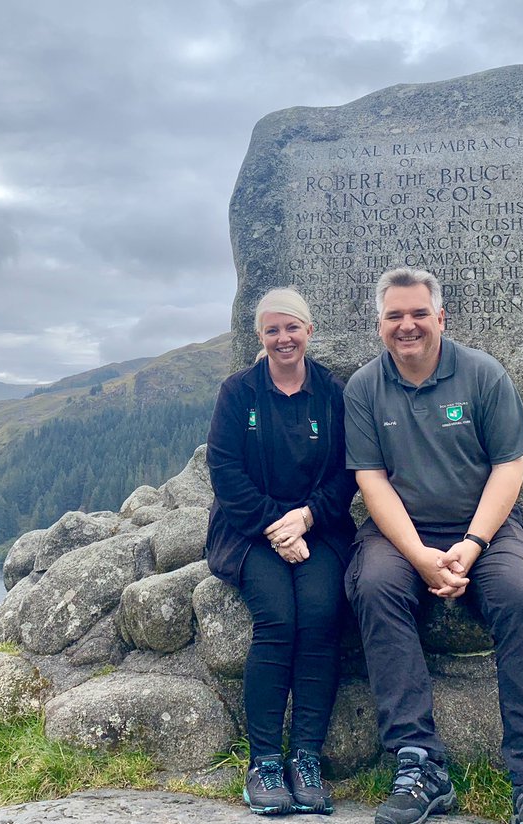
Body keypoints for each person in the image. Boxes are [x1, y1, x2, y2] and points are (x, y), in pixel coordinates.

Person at [343, 268, 523, 824]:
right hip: (400, 532)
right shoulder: (364, 387)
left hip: (485, 528)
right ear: (380, 325)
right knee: (374, 587)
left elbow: (509, 466)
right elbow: (371, 480)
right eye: (395, 315)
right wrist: (419, 555)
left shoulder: (483, 374)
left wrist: (473, 542)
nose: (408, 325)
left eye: (419, 313)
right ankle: (419, 764)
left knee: (520, 596)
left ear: (441, 318)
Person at [206, 287, 358, 816]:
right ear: (260, 336)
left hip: (320, 527)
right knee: (277, 617)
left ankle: (307, 758)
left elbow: (347, 472)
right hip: (249, 530)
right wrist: (277, 526)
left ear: (309, 331)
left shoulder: (332, 393)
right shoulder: (238, 392)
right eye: (272, 330)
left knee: (319, 615)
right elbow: (225, 471)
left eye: (292, 327)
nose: (283, 338)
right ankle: (265, 762)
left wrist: (306, 518)